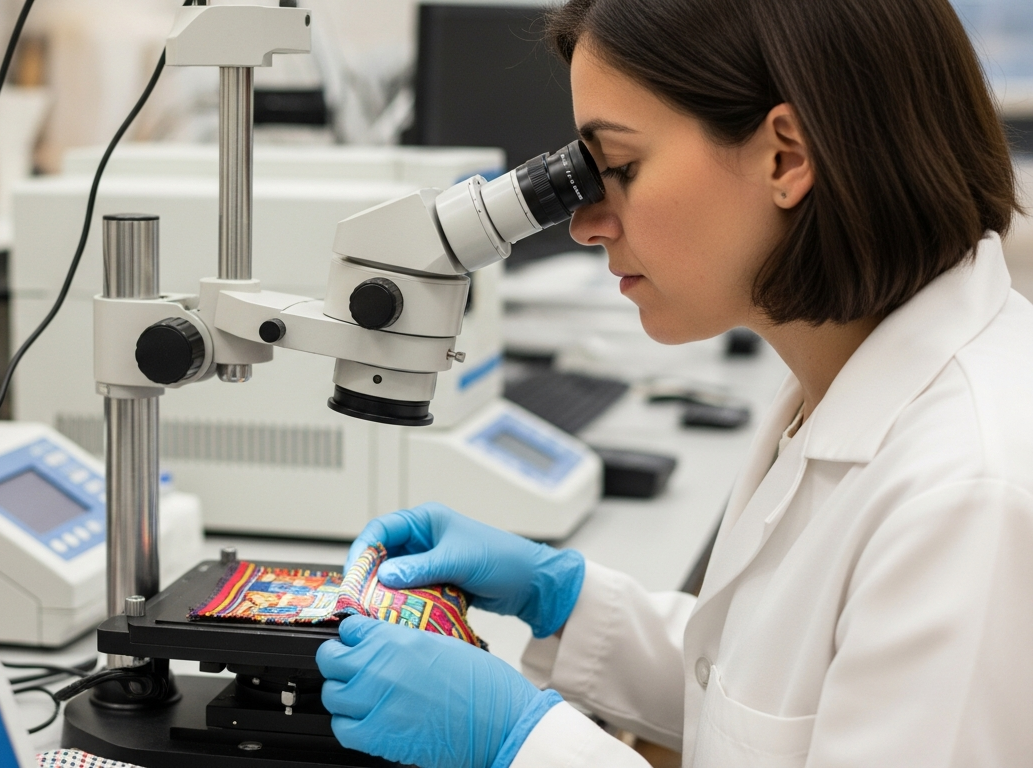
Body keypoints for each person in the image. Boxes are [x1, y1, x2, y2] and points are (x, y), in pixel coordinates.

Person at [314, 0, 1029, 765]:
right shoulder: (839, 372)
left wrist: (521, 743)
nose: (587, 224)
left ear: (786, 158)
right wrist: (568, 603)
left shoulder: (966, 499)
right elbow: (775, 698)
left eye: (618, 167)